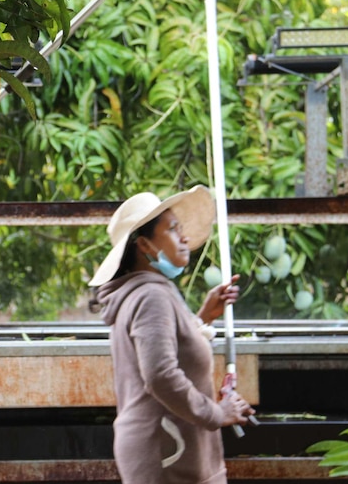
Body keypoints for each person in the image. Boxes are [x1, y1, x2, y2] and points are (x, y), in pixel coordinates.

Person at [89, 185, 255, 484]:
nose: (185, 238)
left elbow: (165, 348)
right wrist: (216, 413)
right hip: (167, 452)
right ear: (145, 246)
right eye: (173, 230)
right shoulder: (151, 296)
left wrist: (203, 318)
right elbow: (160, 374)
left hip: (167, 447)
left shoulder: (144, 292)